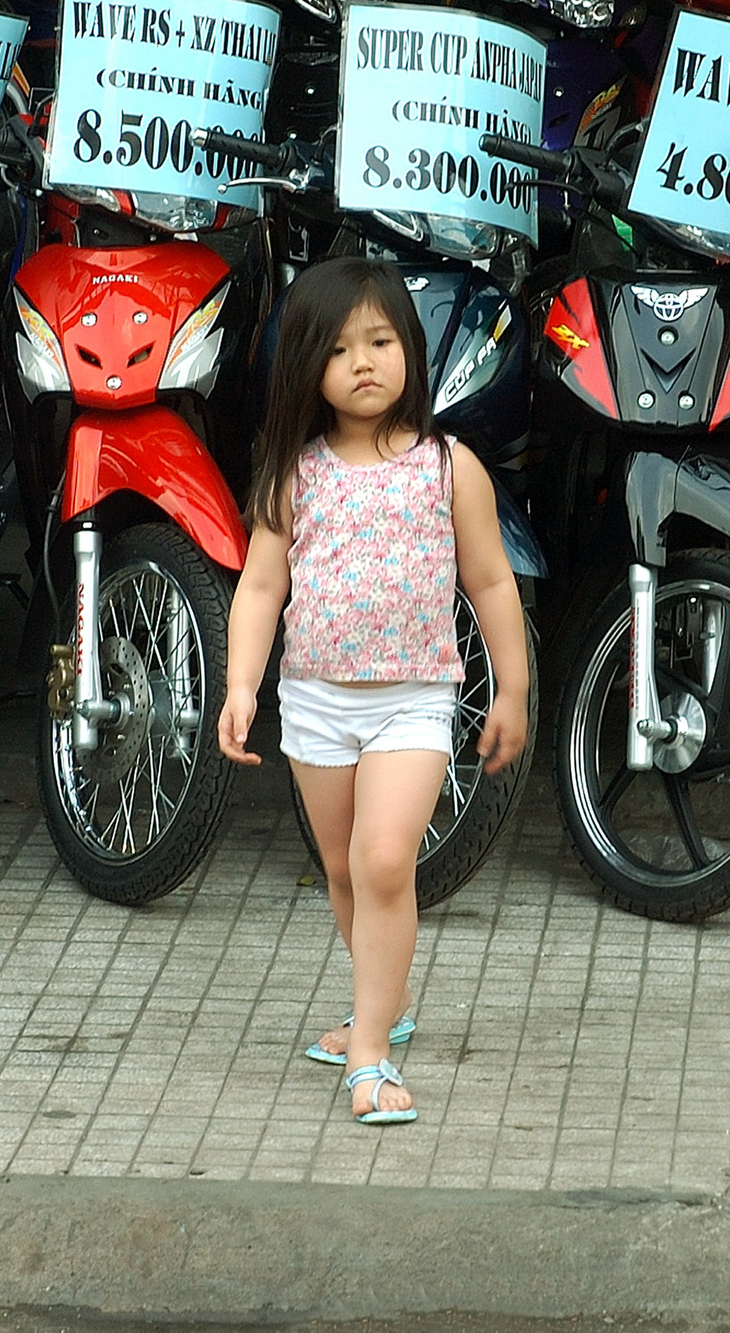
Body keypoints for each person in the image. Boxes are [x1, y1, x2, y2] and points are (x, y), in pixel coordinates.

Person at [218, 259, 531, 1121]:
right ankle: (380, 999)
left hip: (416, 698)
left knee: (384, 858)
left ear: (412, 352)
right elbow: (259, 587)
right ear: (307, 366)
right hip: (315, 699)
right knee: (342, 870)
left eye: (383, 341)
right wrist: (242, 684)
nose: (364, 362)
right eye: (342, 347)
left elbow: (493, 583)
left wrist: (513, 689)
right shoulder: (295, 471)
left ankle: (369, 1053)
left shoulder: (448, 466)